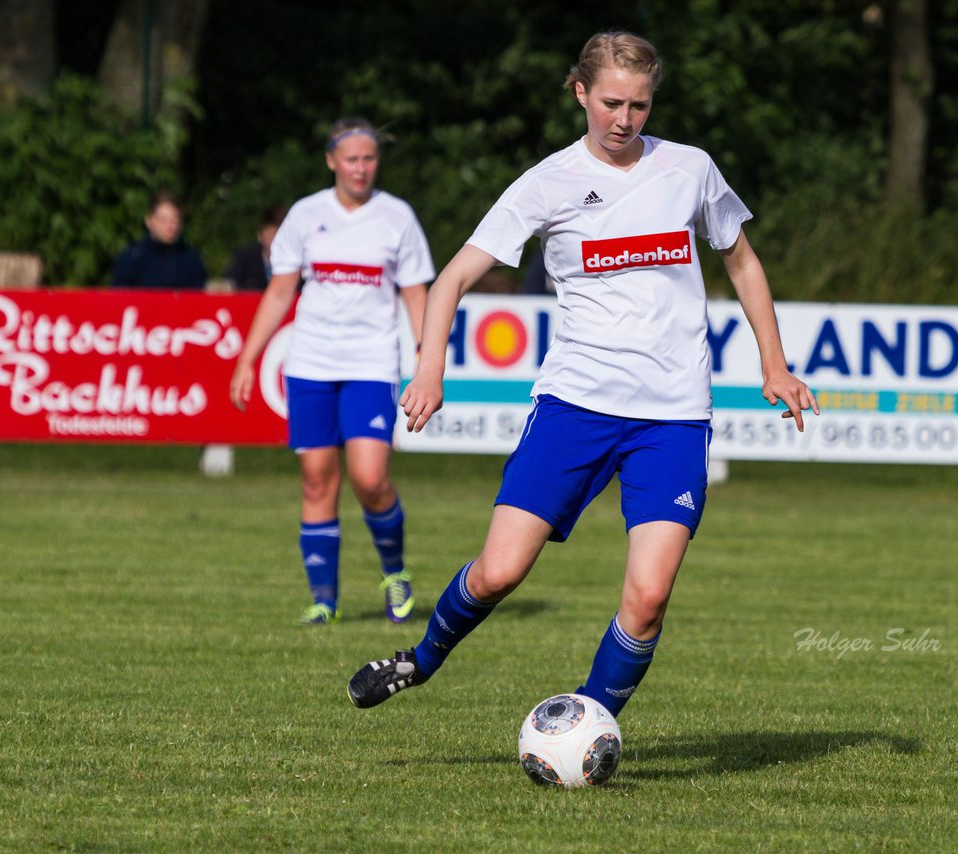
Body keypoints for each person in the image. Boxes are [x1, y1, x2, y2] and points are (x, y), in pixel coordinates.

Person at [346, 32, 818, 715]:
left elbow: (740, 260)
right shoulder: (547, 184)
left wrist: (775, 363)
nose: (625, 119)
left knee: (649, 599)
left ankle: (587, 724)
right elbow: (450, 280)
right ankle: (419, 659)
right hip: (576, 405)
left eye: (640, 105)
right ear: (579, 92)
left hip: (674, 415)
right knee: (500, 571)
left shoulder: (690, 168)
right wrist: (428, 369)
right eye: (611, 103)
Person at [229, 118, 435, 625]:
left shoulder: (397, 216)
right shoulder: (305, 215)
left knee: (369, 477)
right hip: (311, 362)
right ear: (331, 161)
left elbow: (415, 293)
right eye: (351, 159)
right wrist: (247, 358)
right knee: (317, 478)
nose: (361, 168)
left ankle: (394, 573)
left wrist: (427, 360)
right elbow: (280, 290)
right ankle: (323, 601)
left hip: (370, 361)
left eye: (369, 159)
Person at [111, 191, 208, 289]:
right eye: (164, 220)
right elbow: (119, 298)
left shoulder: (191, 260)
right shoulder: (132, 258)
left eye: (174, 221)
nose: (170, 226)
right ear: (149, 221)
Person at [224, 205, 287, 291]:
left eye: (276, 232)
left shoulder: (295, 260)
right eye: (269, 232)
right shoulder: (243, 258)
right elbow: (230, 284)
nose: (273, 237)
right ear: (259, 236)